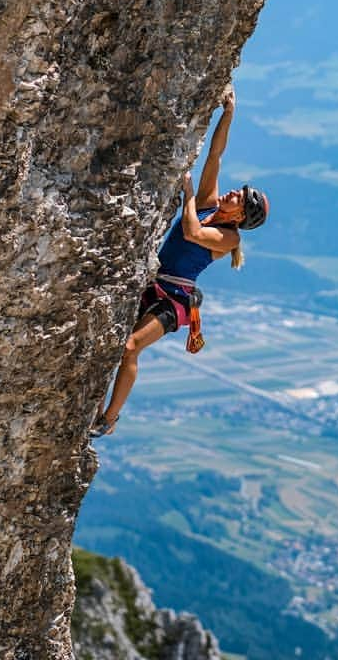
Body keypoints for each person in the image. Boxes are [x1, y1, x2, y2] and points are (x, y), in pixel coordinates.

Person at [91, 85, 269, 437]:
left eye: (241, 197)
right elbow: (215, 157)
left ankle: (109, 419)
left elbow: (191, 233)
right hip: (155, 285)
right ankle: (96, 405)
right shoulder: (211, 204)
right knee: (112, 343)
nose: (234, 191)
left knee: (129, 347)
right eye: (240, 189)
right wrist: (228, 114)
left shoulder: (228, 236)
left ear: (240, 216)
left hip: (175, 302)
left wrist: (188, 197)